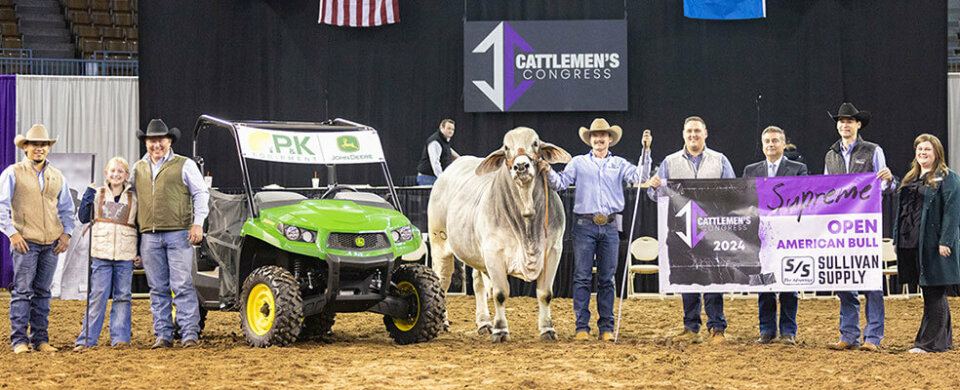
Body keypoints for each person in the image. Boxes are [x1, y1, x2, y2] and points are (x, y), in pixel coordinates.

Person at [543, 118, 648, 342]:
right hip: (585, 225)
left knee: (607, 279)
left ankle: (606, 327)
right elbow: (560, 183)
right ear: (590, 139)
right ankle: (582, 327)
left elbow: (640, 177)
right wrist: (547, 170)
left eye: (603, 135)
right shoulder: (578, 163)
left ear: (610, 139)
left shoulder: (620, 164)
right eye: (595, 136)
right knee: (581, 277)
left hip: (610, 226)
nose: (599, 139)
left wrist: (646, 152)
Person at [647, 116, 735, 344]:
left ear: (705, 133)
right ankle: (691, 326)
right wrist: (654, 187)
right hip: (682, 229)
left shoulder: (720, 160)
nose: (693, 135)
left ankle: (717, 327)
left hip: (713, 229)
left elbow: (733, 191)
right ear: (683, 134)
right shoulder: (669, 161)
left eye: (697, 131)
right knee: (687, 276)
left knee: (713, 277)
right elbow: (655, 195)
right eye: (689, 131)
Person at [823, 102, 895, 352]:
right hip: (840, 227)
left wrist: (888, 180)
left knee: (872, 282)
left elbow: (885, 185)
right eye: (841, 121)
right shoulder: (830, 155)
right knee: (844, 281)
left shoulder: (873, 150)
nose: (844, 125)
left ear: (858, 124)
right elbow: (826, 189)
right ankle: (849, 334)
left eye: (849, 121)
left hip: (865, 226)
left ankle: (873, 337)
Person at [132, 119, 209, 349]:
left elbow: (201, 194)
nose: (156, 145)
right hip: (149, 236)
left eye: (160, 140)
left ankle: (189, 334)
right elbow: (128, 197)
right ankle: (163, 334)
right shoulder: (138, 168)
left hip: (179, 233)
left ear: (169, 141)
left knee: (182, 284)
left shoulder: (184, 165)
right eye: (152, 140)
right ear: (146, 143)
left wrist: (198, 224)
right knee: (157, 288)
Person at [0, 124, 75, 354]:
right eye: (34, 144)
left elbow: (66, 209)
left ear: (48, 148)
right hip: (26, 241)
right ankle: (19, 341)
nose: (39, 148)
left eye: (43, 145)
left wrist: (66, 233)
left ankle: (40, 339)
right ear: (26, 148)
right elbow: (1, 207)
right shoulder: (13, 173)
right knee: (23, 291)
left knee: (43, 291)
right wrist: (12, 232)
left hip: (51, 243)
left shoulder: (57, 176)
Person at [893, 134, 960, 353]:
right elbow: (902, 211)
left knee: (934, 290)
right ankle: (943, 341)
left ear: (937, 153)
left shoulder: (948, 177)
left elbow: (952, 212)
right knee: (931, 290)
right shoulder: (911, 177)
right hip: (913, 242)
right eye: (919, 150)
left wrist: (946, 241)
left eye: (927, 150)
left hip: (934, 243)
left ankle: (928, 343)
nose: (922, 153)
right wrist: (897, 238)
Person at [741, 126, 808, 345]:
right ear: (762, 145)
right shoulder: (750, 170)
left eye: (775, 141)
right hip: (761, 236)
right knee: (765, 284)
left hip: (789, 235)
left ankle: (788, 331)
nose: (771, 144)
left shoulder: (798, 169)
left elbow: (804, 198)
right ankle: (766, 330)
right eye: (767, 141)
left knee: (789, 283)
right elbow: (744, 200)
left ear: (783, 143)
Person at [73, 157, 138, 351]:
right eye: (113, 171)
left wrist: (139, 252)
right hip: (101, 254)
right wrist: (87, 194)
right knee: (98, 295)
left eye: (121, 171)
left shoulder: (134, 198)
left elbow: (140, 225)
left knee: (123, 296)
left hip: (125, 254)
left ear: (126, 175)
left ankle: (120, 338)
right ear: (106, 173)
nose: (116, 175)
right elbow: (84, 217)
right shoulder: (97, 194)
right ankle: (87, 339)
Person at [416, 119, 459, 185]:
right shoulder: (435, 142)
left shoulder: (444, 141)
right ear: (441, 127)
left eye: (453, 129)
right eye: (449, 128)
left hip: (434, 177)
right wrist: (442, 179)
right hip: (428, 178)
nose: (451, 131)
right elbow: (435, 163)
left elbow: (450, 152)